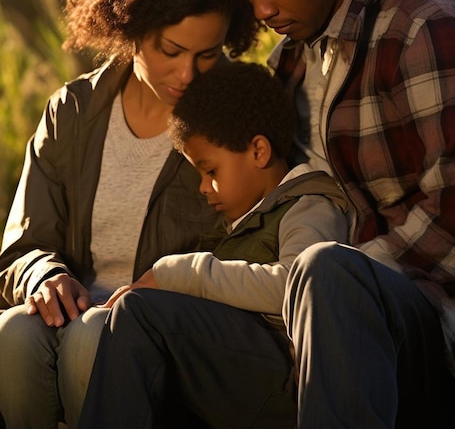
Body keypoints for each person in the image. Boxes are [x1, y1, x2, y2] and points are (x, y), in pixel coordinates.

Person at [0, 0, 262, 429]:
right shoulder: (70, 112)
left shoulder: (240, 121)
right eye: (170, 52)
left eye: (207, 55)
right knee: (10, 339)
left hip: (167, 333)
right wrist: (43, 276)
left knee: (96, 340)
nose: (187, 75)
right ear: (129, 29)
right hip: (69, 318)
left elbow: (253, 262)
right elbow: (23, 245)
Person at [212, 0, 455, 428]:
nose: (262, 10)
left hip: (430, 328)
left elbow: (452, 214)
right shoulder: (290, 60)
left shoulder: (425, 23)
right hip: (317, 318)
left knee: (327, 272)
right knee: (144, 320)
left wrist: (318, 285)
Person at [77, 60, 351, 428]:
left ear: (258, 151)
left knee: (139, 311)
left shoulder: (309, 205)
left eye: (211, 171)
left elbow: (297, 287)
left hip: (283, 386)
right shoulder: (242, 222)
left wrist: (181, 273)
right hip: (236, 369)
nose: (204, 187)